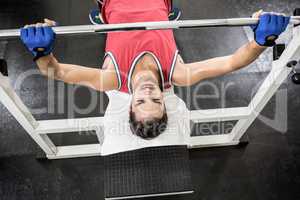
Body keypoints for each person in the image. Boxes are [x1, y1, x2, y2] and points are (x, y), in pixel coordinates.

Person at [20, 0, 290, 139]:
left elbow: (55, 72)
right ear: (165, 100)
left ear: (129, 104)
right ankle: (167, 15)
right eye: (156, 100)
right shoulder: (178, 74)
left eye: (140, 101)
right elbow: (232, 62)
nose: (148, 92)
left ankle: (101, 17)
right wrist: (262, 41)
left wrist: (42, 52)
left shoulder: (112, 79)